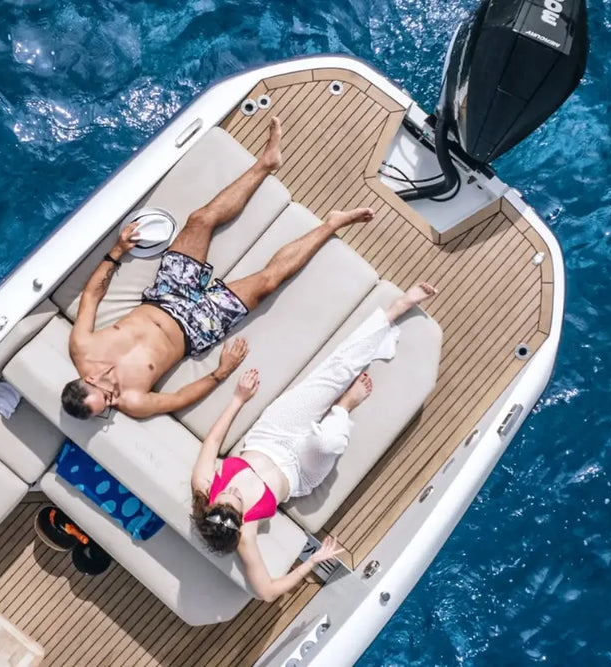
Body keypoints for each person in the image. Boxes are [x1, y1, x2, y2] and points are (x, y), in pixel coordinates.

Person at [62, 117, 375, 420]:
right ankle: (332, 223)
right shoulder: (131, 401)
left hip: (165, 295)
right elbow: (176, 399)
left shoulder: (83, 348)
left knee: (200, 220)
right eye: (105, 410)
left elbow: (91, 297)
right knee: (267, 283)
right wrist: (219, 374)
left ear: (89, 380)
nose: (111, 404)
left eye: (104, 399)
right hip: (197, 327)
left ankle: (267, 162)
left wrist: (116, 251)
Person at [189, 282, 437, 601]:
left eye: (227, 493)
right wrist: (313, 561)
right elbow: (266, 592)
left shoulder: (204, 483)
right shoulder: (245, 536)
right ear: (238, 523)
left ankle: (394, 310)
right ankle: (345, 406)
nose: (234, 491)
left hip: (270, 436)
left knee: (331, 373)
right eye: (237, 500)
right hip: (299, 473)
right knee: (328, 441)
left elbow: (213, 440)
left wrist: (238, 400)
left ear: (210, 503)